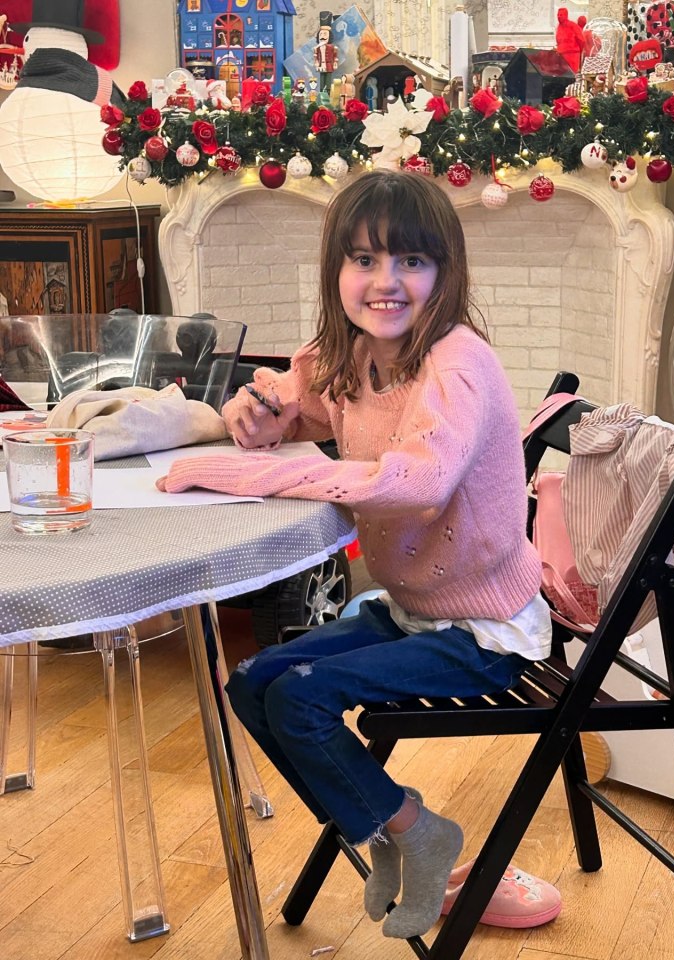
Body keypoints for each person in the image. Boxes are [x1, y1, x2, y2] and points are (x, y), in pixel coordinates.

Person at [155, 171, 553, 939]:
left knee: (299, 698)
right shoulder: (352, 352)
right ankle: (400, 830)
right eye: (364, 260)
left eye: (411, 261)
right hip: (410, 610)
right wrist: (255, 416)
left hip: (483, 634)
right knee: (251, 682)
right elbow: (289, 411)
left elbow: (420, 482)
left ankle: (408, 831)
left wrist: (257, 471)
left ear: (446, 272)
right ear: (336, 268)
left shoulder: (457, 365)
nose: (385, 282)